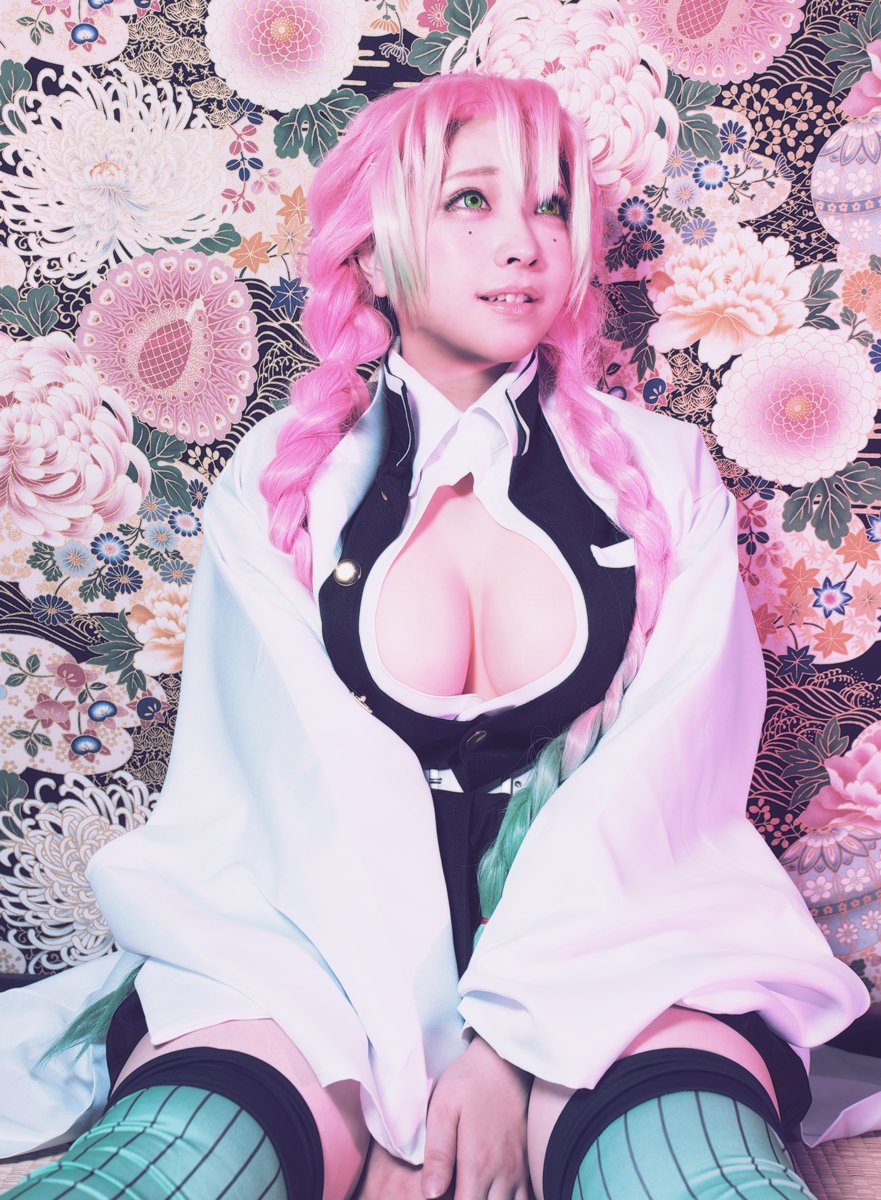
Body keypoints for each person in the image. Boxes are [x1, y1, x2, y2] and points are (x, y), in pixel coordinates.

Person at [0, 72, 869, 1200]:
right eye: (469, 200)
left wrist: (508, 1044)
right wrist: (394, 1066)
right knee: (167, 1158)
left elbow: (657, 784)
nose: (522, 242)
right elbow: (302, 795)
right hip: (310, 954)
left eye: (550, 205)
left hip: (622, 949)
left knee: (695, 1166)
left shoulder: (665, 471)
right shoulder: (281, 480)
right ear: (368, 252)